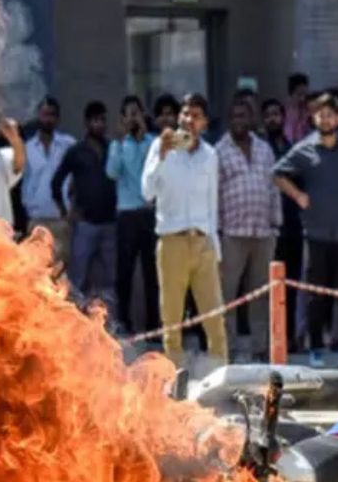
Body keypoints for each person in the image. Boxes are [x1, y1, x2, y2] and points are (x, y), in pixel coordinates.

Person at [273, 94, 338, 370]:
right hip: (315, 233)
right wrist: (298, 196)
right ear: (314, 118)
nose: (325, 119)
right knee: (316, 294)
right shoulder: (304, 150)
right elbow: (277, 173)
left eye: (331, 114)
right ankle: (316, 347)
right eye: (321, 114)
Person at [142, 93, 227, 368]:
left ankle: (220, 370)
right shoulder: (160, 146)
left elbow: (212, 202)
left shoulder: (210, 155)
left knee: (213, 315)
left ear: (204, 123)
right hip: (172, 241)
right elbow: (147, 191)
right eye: (186, 114)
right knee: (172, 317)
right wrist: (164, 156)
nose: (189, 120)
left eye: (196, 116)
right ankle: (173, 375)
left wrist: (216, 248)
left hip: (202, 242)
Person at [217, 96, 281, 361]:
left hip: (263, 232)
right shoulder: (219, 151)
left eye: (244, 116)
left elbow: (274, 186)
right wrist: (217, 232)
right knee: (228, 295)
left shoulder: (265, 149)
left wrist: (276, 223)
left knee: (261, 294)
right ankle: (228, 349)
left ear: (252, 119)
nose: (240, 121)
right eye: (235, 116)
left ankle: (260, 347)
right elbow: (214, 194)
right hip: (232, 233)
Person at [52, 101, 118, 311]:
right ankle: (74, 321)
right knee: (77, 278)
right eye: (95, 120)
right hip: (85, 225)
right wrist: (65, 211)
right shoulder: (76, 151)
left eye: (102, 120)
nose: (99, 124)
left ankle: (111, 325)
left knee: (111, 279)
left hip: (110, 223)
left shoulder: (112, 148)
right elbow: (56, 182)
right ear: (87, 123)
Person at [106, 95, 159, 334]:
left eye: (137, 113)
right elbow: (112, 172)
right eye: (129, 114)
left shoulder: (153, 142)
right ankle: (124, 322)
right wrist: (121, 141)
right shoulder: (118, 144)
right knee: (124, 272)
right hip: (127, 215)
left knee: (152, 273)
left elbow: (157, 170)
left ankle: (153, 325)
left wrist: (144, 138)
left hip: (149, 213)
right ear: (123, 118)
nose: (133, 118)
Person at [261, 99, 304, 349]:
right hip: (268, 227)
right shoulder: (259, 149)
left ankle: (288, 337)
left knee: (291, 286)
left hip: (292, 226)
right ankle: (270, 339)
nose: (273, 119)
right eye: (268, 115)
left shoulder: (292, 150)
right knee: (267, 288)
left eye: (277, 114)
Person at [22, 97, 76, 266]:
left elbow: (77, 178)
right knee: (36, 272)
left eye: (52, 115)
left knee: (59, 273)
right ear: (39, 116)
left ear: (58, 118)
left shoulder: (69, 145)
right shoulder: (27, 148)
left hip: (60, 220)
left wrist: (71, 210)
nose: (48, 119)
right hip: (36, 219)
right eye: (45, 114)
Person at [283, 73, 311, 142]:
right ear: (291, 94)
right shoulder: (283, 112)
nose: (302, 98)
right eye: (299, 95)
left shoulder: (307, 111)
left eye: (304, 94)